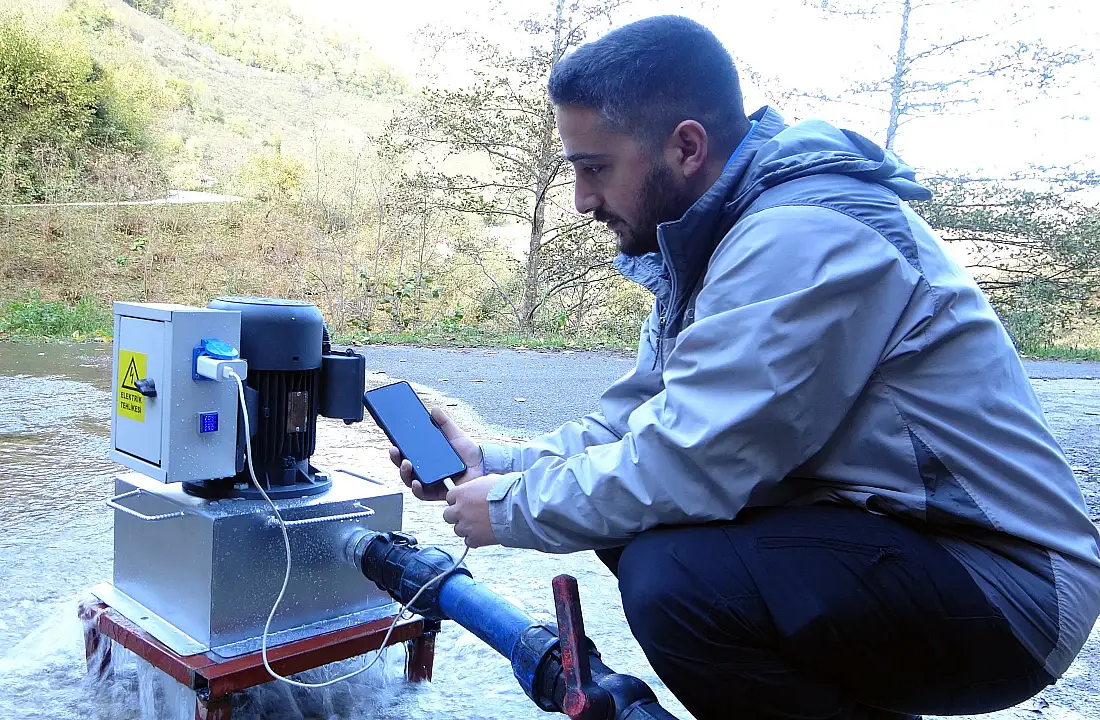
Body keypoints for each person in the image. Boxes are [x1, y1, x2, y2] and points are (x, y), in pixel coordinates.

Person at [387, 14, 1100, 720]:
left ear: (687, 147)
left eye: (595, 168)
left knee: (677, 577)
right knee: (639, 534)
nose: (582, 201)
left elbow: (690, 464)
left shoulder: (802, 234)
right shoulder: (715, 247)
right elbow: (634, 428)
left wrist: (510, 508)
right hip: (904, 548)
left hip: (1007, 584)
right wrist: (492, 461)